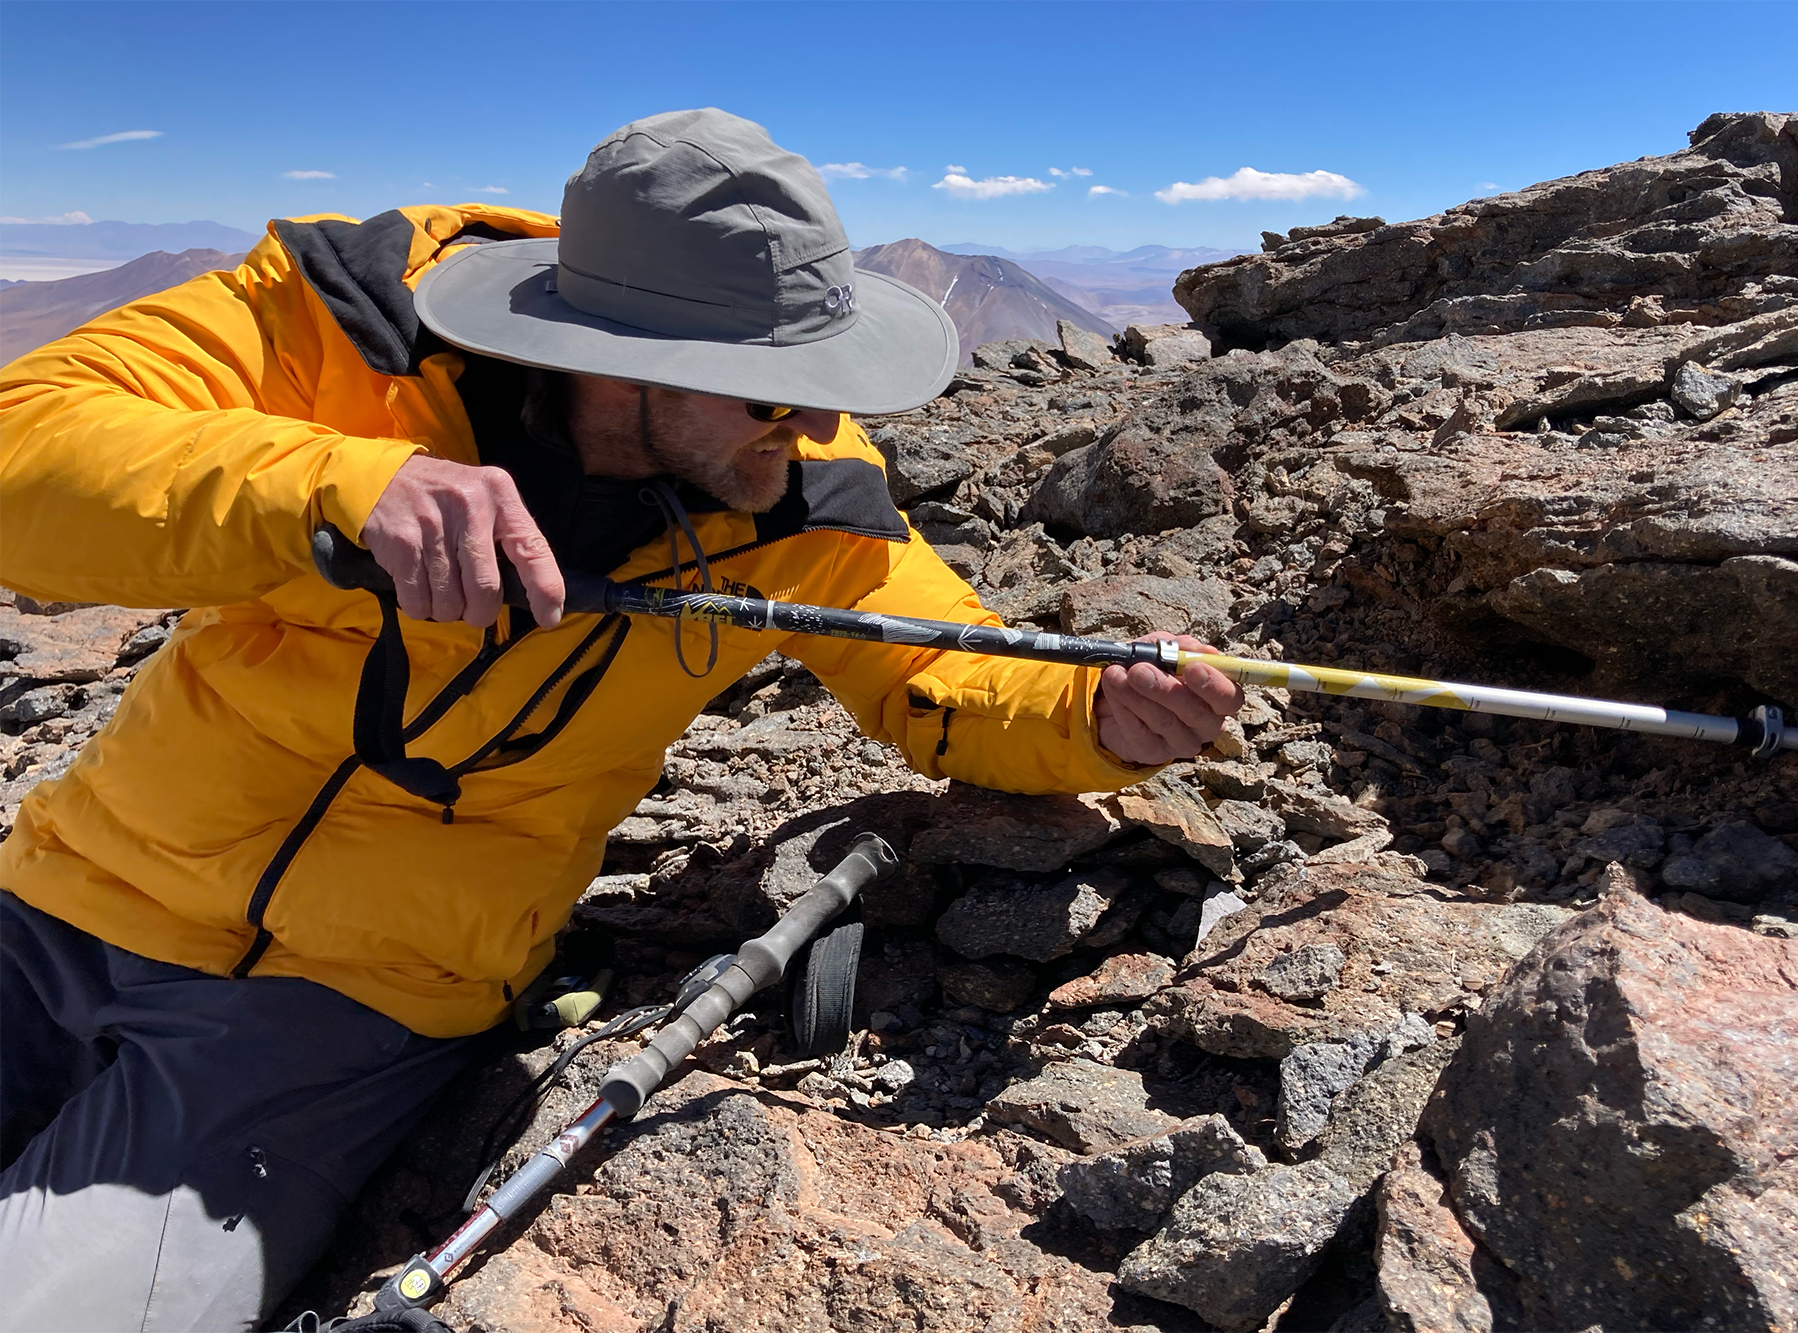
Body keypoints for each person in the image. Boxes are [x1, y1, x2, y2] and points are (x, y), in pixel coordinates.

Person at [0, 109, 1243, 1331]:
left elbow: (940, 672)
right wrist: (331, 487)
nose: (815, 421)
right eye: (771, 394)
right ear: (617, 355)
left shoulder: (805, 500)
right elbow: (26, 448)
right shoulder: (346, 325)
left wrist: (1100, 709)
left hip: (345, 1000)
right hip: (57, 897)